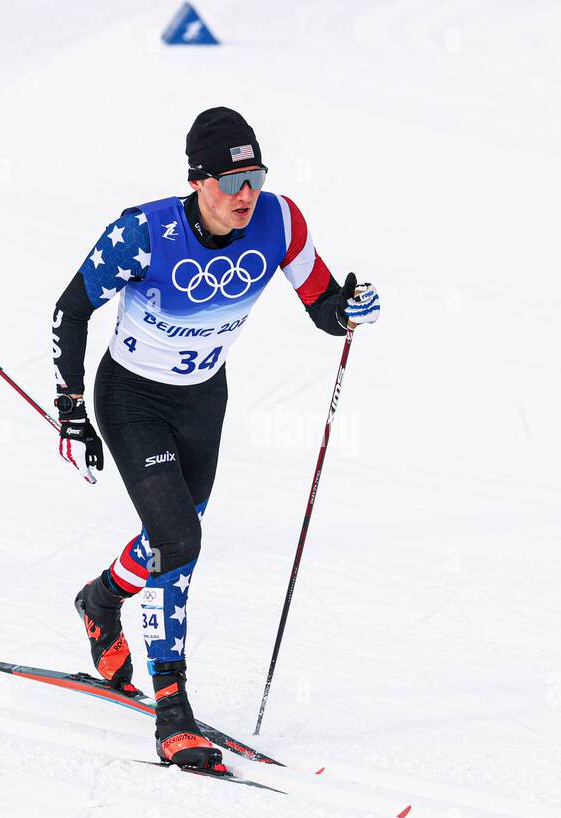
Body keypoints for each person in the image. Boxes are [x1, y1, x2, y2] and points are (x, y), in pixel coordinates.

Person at [50, 107, 380, 770]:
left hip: (203, 401)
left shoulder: (279, 223)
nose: (244, 195)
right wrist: (71, 410)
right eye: (230, 181)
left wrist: (346, 309)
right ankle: (172, 711)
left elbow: (320, 303)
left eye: (254, 176)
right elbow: (72, 308)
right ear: (198, 181)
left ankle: (102, 599)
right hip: (132, 399)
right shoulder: (142, 234)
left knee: (170, 535)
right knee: (180, 540)